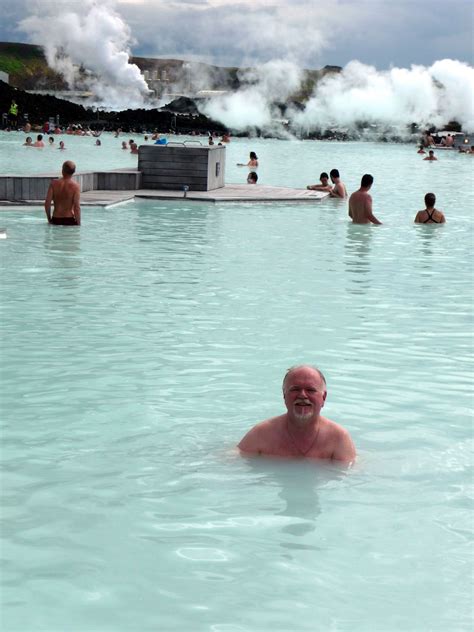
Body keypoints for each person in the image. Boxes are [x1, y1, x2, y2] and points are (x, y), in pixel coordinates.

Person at [238, 365, 356, 462]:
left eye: (310, 390)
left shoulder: (338, 438)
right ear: (284, 395)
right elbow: (235, 461)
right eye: (295, 389)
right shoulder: (262, 434)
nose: (302, 395)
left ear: (323, 397)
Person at [44, 160, 81, 226]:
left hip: (56, 219)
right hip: (69, 220)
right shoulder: (75, 186)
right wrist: (79, 224)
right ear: (73, 172)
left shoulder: (53, 184)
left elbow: (47, 203)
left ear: (62, 170)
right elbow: (77, 208)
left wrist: (49, 219)